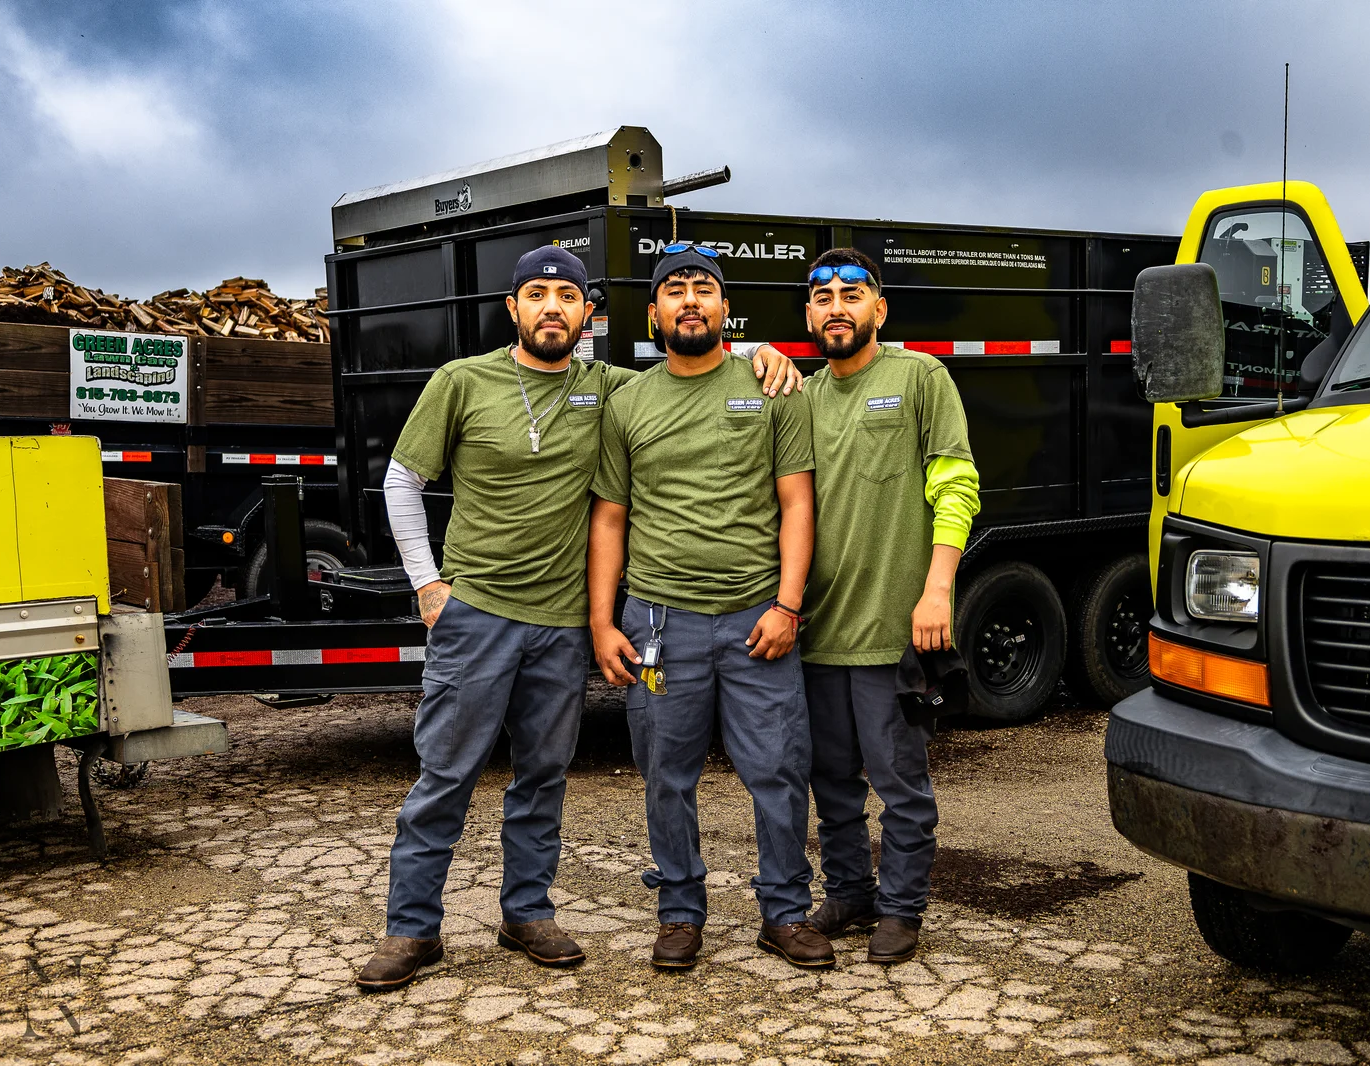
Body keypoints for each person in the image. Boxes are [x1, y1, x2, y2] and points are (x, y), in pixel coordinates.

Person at [358, 245, 803, 992]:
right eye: (537, 295)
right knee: (446, 776)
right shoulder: (461, 382)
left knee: (542, 776)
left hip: (562, 625)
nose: (552, 308)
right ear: (514, 309)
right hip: (476, 616)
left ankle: (526, 913)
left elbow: (691, 362)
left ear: (588, 315)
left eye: (567, 297)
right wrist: (428, 585)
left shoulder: (610, 389)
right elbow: (403, 480)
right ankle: (412, 930)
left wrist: (762, 352)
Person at [588, 247, 831, 972]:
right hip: (660, 627)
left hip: (758, 620)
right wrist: (604, 622)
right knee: (665, 772)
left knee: (780, 770)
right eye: (674, 291)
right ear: (655, 313)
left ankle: (784, 911)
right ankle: (680, 910)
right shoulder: (627, 402)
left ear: (726, 309)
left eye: (704, 289)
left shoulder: (771, 388)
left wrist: (788, 605)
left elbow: (797, 502)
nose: (690, 300)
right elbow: (608, 517)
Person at [763, 248, 980, 965]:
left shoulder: (919, 377)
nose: (836, 306)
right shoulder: (800, 398)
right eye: (821, 296)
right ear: (808, 316)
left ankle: (903, 909)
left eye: (851, 294)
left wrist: (938, 587)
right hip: (818, 633)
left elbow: (956, 484)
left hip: (894, 633)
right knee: (832, 784)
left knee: (901, 784)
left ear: (878, 309)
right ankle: (852, 892)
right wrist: (758, 350)